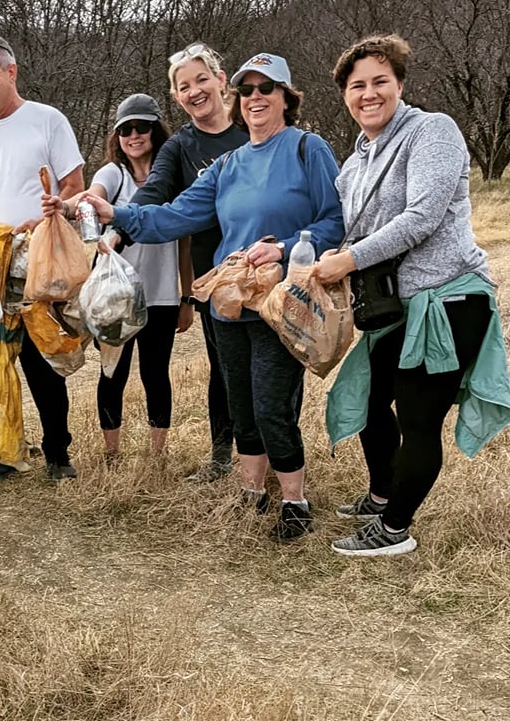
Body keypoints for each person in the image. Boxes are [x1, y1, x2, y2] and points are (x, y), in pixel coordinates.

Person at [69, 53, 344, 540]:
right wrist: (115, 214)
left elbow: (334, 220)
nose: (256, 98)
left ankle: (295, 502)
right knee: (240, 402)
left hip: (284, 300)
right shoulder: (227, 165)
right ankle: (251, 493)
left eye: (267, 89)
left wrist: (283, 247)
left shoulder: (307, 148)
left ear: (286, 97)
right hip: (229, 299)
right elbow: (174, 215)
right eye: (249, 90)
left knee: (271, 405)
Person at [316, 34, 510, 557]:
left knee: (419, 419)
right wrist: (313, 256)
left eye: (381, 81)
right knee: (371, 401)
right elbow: (354, 233)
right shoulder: (354, 163)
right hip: (392, 308)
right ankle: (382, 496)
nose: (369, 93)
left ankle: (394, 529)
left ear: (400, 85)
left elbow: (421, 219)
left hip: (447, 302)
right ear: (345, 95)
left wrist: (348, 260)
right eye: (358, 86)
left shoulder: (433, 131)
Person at [0, 35, 85, 481]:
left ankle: (57, 454)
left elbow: (73, 183)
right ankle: (0, 453)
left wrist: (45, 216)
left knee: (42, 360)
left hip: (36, 261)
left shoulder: (46, 120)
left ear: (10, 72)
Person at [128, 44, 249, 479]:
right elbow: (154, 190)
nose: (194, 91)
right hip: (212, 277)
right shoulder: (180, 146)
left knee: (271, 368)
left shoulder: (253, 128)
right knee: (224, 369)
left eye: (201, 80)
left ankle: (274, 458)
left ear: (221, 80)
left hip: (264, 269)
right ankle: (220, 457)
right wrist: (121, 222)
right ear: (176, 97)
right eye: (183, 87)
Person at [62, 94, 187, 460]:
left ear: (155, 130)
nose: (134, 136)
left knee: (156, 374)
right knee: (112, 373)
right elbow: (92, 197)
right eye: (125, 130)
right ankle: (111, 452)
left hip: (161, 294)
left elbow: (183, 243)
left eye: (141, 127)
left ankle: (157, 453)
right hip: (114, 298)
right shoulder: (112, 175)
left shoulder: (173, 180)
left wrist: (187, 297)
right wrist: (69, 206)